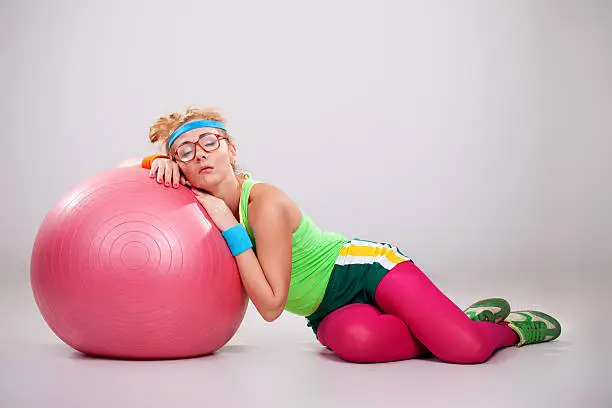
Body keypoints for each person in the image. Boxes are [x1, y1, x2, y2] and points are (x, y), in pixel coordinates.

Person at [126, 106, 561, 364]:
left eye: (210, 141)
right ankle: (453, 321)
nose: (200, 153)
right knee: (358, 346)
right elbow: (122, 179)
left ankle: (507, 329)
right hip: (325, 307)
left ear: (231, 149)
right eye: (185, 150)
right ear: (178, 163)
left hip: (365, 271)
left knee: (464, 350)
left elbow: (272, 306)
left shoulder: (263, 203)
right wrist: (151, 164)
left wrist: (228, 225)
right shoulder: (197, 199)